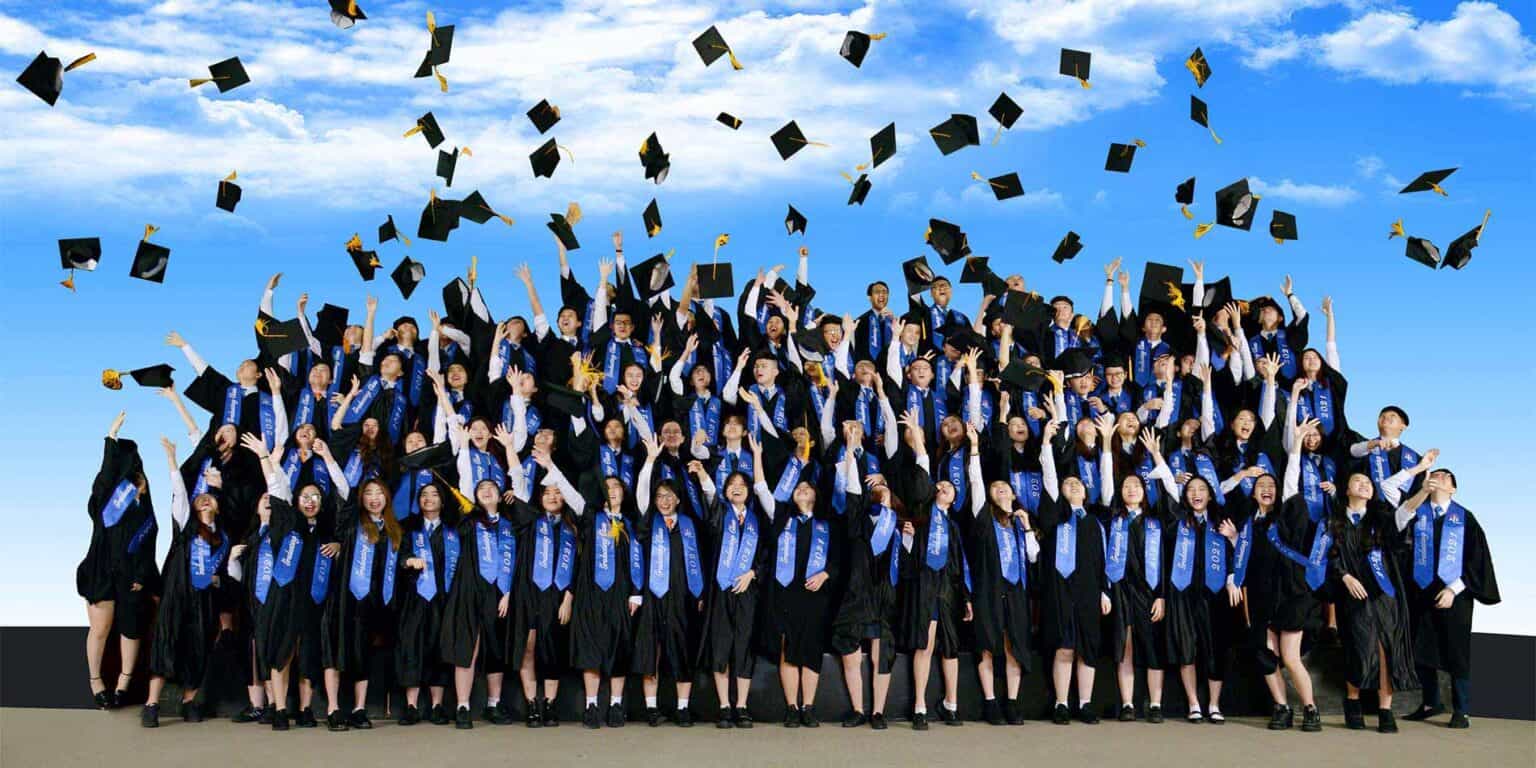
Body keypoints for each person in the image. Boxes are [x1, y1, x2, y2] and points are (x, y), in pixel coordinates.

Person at [1390, 460, 1500, 729]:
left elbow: (1477, 561)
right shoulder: (1418, 511)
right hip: (1420, 591)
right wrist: (1421, 493)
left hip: (1455, 595)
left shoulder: (1465, 518)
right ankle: (1431, 702)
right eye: (1434, 474)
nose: (1438, 477)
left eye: (1444, 476)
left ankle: (1462, 709)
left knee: (1456, 651)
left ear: (1453, 488)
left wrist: (1453, 589)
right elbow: (1397, 523)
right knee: (1420, 647)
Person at [142, 437, 230, 728]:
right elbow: (179, 490)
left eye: (210, 498)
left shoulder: (224, 537)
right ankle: (152, 704)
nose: (205, 500)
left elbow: (223, 572)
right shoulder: (184, 524)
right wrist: (171, 458)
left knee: (198, 646)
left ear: (218, 505)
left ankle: (189, 701)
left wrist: (217, 579)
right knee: (167, 643)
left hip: (204, 600)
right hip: (177, 594)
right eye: (200, 498)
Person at [755, 432, 842, 727]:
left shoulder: (826, 524)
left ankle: (809, 706)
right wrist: (756, 457)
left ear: (816, 495)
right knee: (788, 649)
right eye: (798, 488)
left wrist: (826, 573)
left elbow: (839, 559)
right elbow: (760, 488)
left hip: (815, 593)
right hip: (784, 593)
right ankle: (792, 707)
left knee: (811, 649)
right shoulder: (781, 518)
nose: (802, 490)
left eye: (807, 487)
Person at [78, 411, 159, 711]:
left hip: (132, 573)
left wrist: (142, 574)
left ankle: (123, 684)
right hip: (101, 569)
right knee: (100, 628)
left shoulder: (143, 505)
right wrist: (111, 439)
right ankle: (96, 681)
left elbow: (150, 539)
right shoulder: (104, 498)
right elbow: (104, 479)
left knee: (131, 628)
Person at [1036, 403, 1111, 725]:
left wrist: (1104, 592)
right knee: (1065, 647)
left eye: (1078, 484)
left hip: (1089, 590)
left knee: (1088, 649)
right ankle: (1062, 704)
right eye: (1069, 485)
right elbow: (1050, 477)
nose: (1074, 486)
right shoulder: (1055, 516)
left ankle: (1085, 703)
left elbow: (1103, 561)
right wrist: (1046, 442)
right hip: (1060, 588)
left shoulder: (1094, 522)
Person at [1326, 470, 1416, 733]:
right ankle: (1352, 703)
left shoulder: (1382, 519)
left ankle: (1385, 710)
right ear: (1346, 489)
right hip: (1353, 597)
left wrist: (1421, 486)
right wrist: (1344, 576)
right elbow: (1324, 557)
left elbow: (1406, 513)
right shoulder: (1333, 521)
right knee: (1358, 648)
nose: (1364, 485)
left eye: (1368, 482)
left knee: (1386, 648)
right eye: (1357, 481)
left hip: (1384, 595)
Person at [633, 436, 706, 727]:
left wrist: (698, 592)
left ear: (677, 498)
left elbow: (699, 561)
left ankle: (683, 708)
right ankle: (651, 709)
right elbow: (640, 492)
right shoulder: (647, 523)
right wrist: (650, 460)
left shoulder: (690, 526)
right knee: (651, 651)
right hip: (652, 595)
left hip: (682, 596)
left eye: (668, 496)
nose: (663, 501)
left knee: (682, 650)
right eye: (659, 496)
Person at [694, 462, 768, 729]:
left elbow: (766, 555)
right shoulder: (719, 516)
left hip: (747, 591)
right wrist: (704, 475)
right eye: (731, 485)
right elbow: (711, 500)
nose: (736, 488)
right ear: (725, 492)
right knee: (721, 646)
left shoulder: (757, 521)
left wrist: (753, 573)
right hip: (720, 591)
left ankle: (742, 706)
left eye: (742, 485)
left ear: (749, 491)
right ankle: (725, 706)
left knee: (744, 646)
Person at [570, 477, 644, 729]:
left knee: (619, 648)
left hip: (621, 594)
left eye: (617, 487)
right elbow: (572, 496)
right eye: (608, 487)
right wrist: (548, 465)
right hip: (591, 592)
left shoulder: (631, 525)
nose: (612, 491)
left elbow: (638, 560)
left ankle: (615, 704)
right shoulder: (591, 519)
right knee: (591, 647)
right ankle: (591, 704)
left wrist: (636, 592)